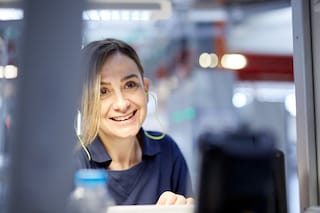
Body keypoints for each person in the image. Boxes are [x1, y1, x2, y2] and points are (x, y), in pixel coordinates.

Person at [74, 38, 194, 205]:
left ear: (145, 88)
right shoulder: (73, 162)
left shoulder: (167, 151)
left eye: (130, 85)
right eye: (103, 91)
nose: (122, 104)